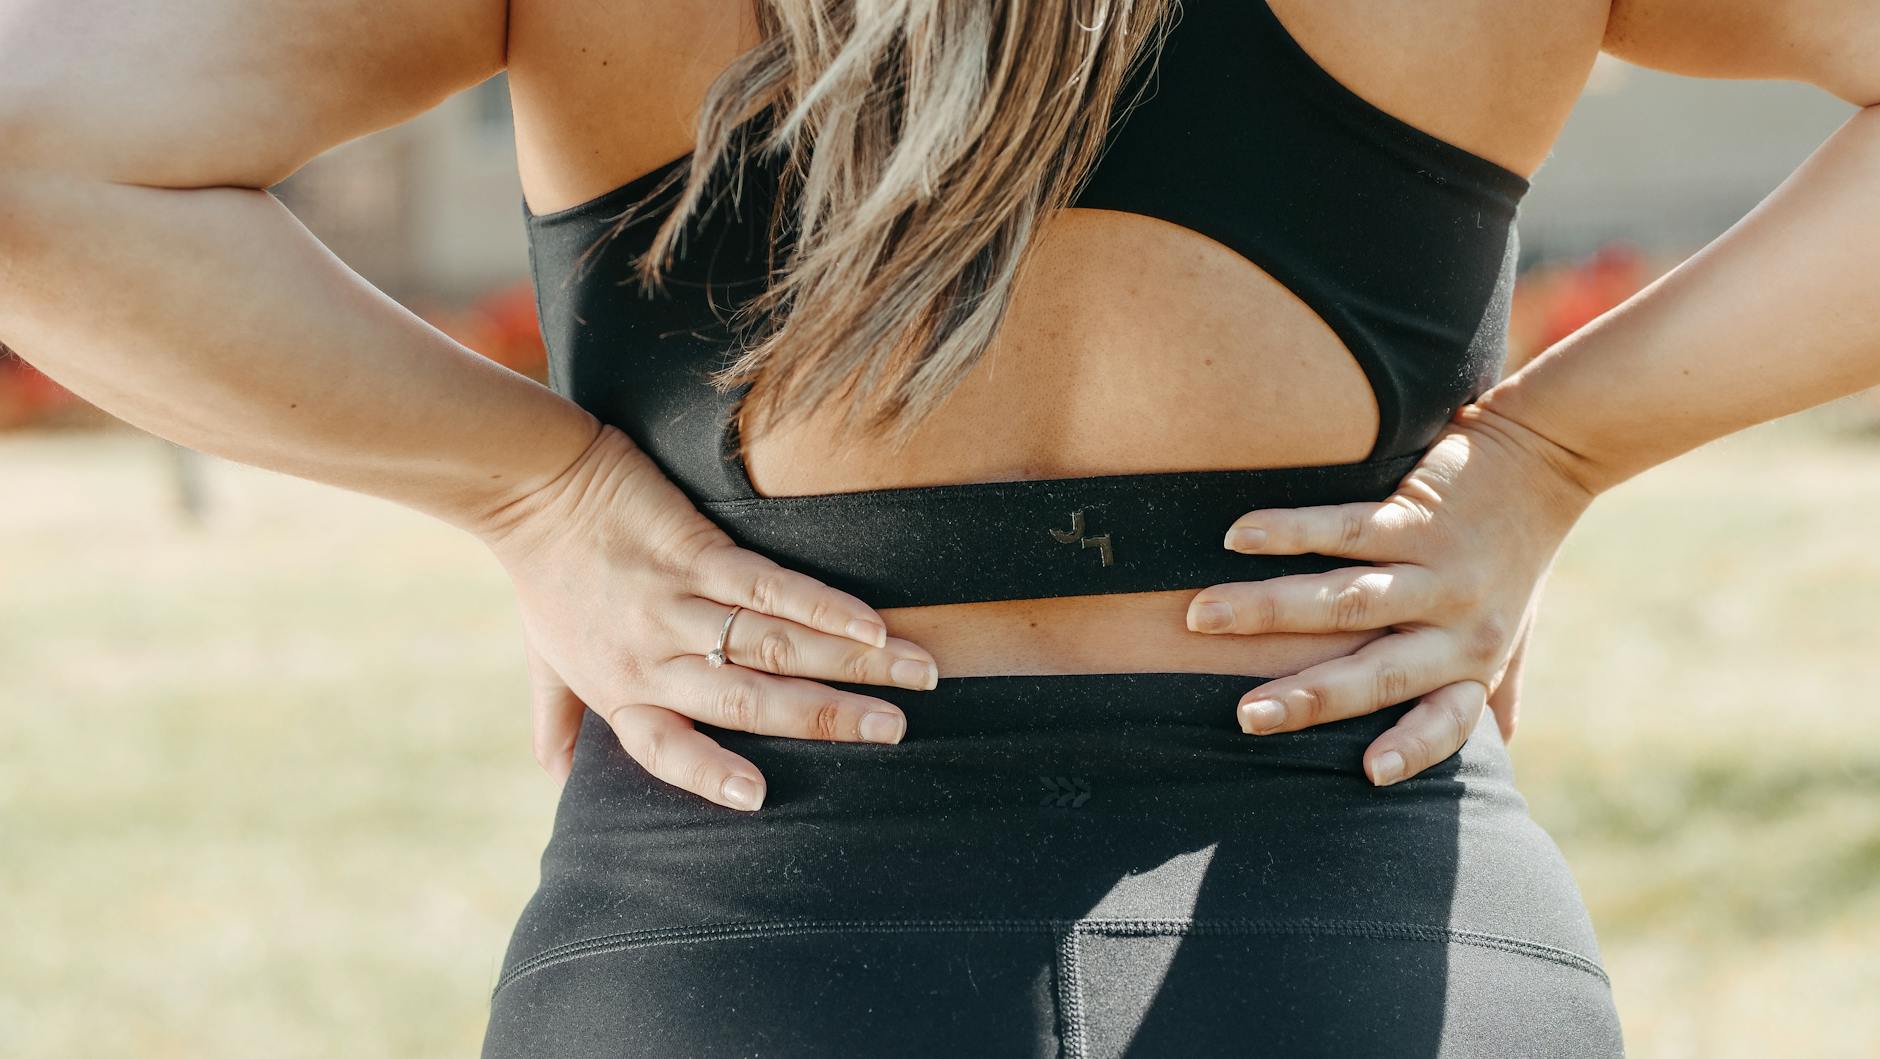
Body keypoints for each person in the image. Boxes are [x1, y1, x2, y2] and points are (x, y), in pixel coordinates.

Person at [2, 1, 1874, 1054]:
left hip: (731, 962)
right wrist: (1552, 454)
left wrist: (537, 489)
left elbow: (29, 147)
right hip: (1382, 957)